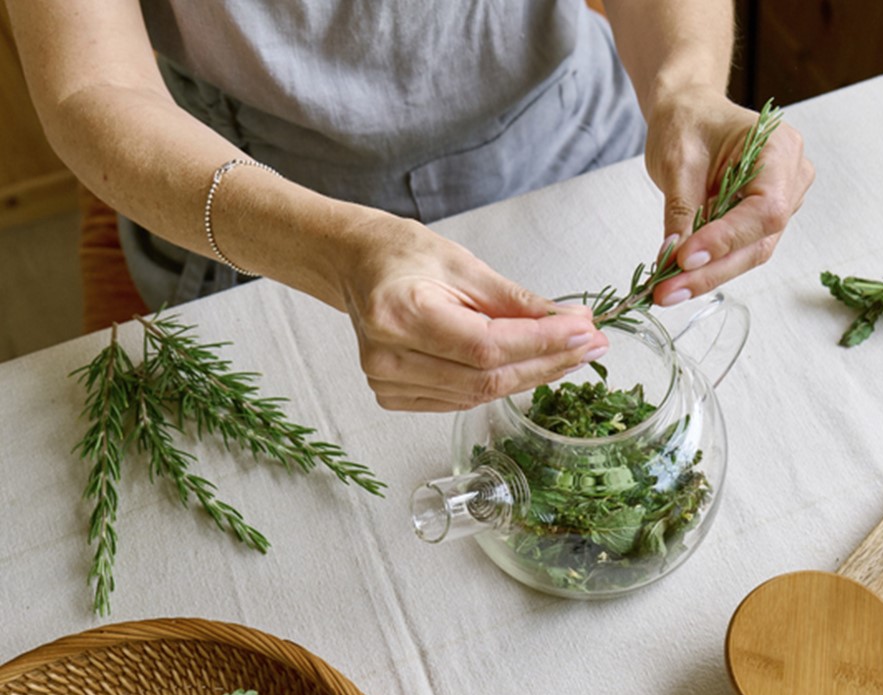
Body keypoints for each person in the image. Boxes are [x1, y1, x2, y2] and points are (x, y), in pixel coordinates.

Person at [7, 0, 814, 412]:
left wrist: (684, 85)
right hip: (261, 228)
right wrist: (336, 250)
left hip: (574, 160)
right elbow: (91, 86)